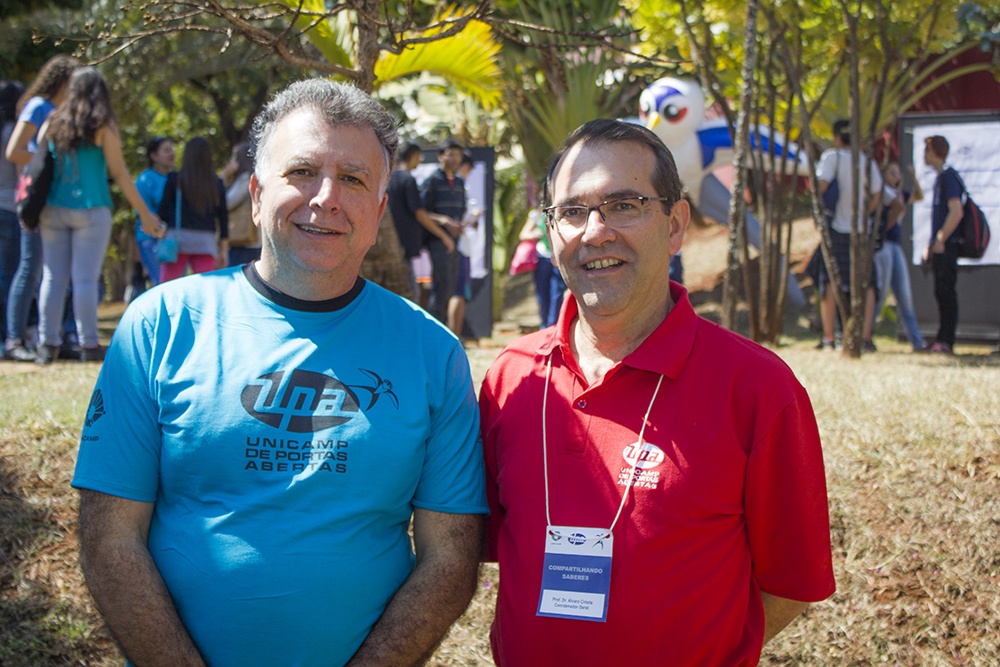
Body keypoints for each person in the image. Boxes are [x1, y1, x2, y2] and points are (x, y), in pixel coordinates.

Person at [73, 78, 487, 667]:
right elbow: (109, 538)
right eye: (302, 172)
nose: (326, 198)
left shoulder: (435, 353)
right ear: (257, 191)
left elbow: (450, 557)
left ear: (378, 208)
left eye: (353, 178)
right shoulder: (160, 324)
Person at [479, 118, 835, 666]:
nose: (596, 231)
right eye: (572, 211)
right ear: (552, 234)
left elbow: (789, 582)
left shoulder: (758, 388)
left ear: (675, 225)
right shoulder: (513, 377)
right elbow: (499, 545)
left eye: (624, 205)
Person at [34, 67, 163, 365]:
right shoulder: (102, 126)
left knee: (53, 277)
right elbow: (119, 174)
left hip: (53, 208)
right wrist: (145, 215)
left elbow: (36, 160)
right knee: (85, 279)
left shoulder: (53, 121)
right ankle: (89, 344)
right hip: (92, 209)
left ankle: (46, 344)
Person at [3, 55, 77, 362]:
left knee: (58, 273)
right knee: (30, 270)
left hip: (58, 203)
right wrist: (44, 159)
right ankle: (13, 340)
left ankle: (55, 338)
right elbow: (14, 151)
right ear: (62, 80)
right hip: (36, 201)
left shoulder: (66, 112)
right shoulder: (38, 106)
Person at [815, 119, 882, 352]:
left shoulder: (832, 158)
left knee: (830, 281)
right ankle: (865, 338)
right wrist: (862, 215)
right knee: (867, 283)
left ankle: (829, 338)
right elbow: (876, 195)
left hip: (836, 229)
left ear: (837, 137)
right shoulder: (867, 161)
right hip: (860, 231)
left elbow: (820, 186)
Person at [387, 141, 453, 301]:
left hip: (388, 246)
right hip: (403, 248)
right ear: (414, 155)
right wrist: (445, 237)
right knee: (411, 295)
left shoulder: (389, 179)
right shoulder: (408, 179)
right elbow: (420, 214)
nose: (420, 160)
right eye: (419, 156)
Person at [157, 136, 229, 282]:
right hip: (205, 241)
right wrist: (223, 250)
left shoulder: (174, 179)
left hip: (177, 240)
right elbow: (223, 217)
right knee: (205, 289)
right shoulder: (216, 183)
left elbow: (162, 212)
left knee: (168, 287)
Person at [873, 161, 925, 351]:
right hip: (883, 247)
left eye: (898, 173)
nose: (896, 177)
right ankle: (866, 336)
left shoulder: (899, 194)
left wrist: (912, 177)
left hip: (896, 247)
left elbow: (919, 196)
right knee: (879, 294)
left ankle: (917, 342)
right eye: (892, 173)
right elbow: (897, 209)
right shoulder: (882, 193)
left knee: (904, 296)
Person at [921, 135, 964, 354]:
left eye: (926, 149)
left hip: (948, 246)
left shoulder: (949, 177)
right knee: (941, 291)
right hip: (940, 246)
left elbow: (956, 211)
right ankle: (941, 337)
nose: (923, 154)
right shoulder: (940, 178)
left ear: (934, 151)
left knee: (947, 292)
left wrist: (941, 238)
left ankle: (947, 340)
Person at [420, 137, 465, 326]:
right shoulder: (432, 181)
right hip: (438, 241)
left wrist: (462, 224)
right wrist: (444, 221)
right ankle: (435, 332)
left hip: (456, 241)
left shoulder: (460, 182)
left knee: (450, 289)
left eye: (458, 155)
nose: (455, 158)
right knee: (440, 288)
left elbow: (461, 210)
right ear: (440, 156)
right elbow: (421, 213)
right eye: (451, 154)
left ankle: (444, 332)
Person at [0, 80, 26, 356]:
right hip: (9, 209)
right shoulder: (13, 133)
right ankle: (10, 337)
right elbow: (21, 176)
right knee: (9, 276)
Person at [134, 136, 176, 287]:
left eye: (172, 149)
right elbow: (142, 213)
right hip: (151, 240)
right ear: (153, 156)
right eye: (166, 150)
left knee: (175, 283)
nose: (171, 153)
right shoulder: (145, 180)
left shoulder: (175, 178)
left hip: (173, 239)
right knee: (162, 283)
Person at [519, 207, 566, 328]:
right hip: (542, 259)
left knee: (556, 293)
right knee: (542, 294)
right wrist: (533, 234)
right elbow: (523, 234)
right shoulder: (536, 215)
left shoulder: (560, 212)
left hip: (558, 258)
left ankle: (553, 326)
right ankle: (544, 325)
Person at [221, 141, 261, 266]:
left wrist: (224, 175)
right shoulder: (249, 178)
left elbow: (226, 202)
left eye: (234, 157)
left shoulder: (245, 179)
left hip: (246, 242)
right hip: (251, 242)